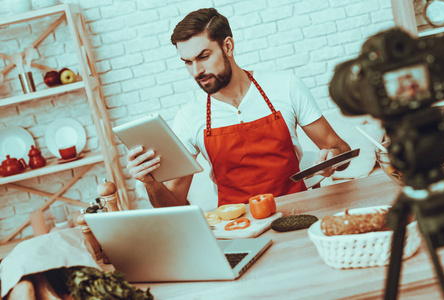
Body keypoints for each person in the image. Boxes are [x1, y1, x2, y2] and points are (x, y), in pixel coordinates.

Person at [126, 8, 351, 208]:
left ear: (228, 46)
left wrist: (332, 158)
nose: (196, 71)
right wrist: (150, 183)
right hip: (238, 227)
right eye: (187, 62)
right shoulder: (188, 117)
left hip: (298, 211)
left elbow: (341, 150)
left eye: (203, 56)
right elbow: (172, 204)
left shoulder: (285, 86)